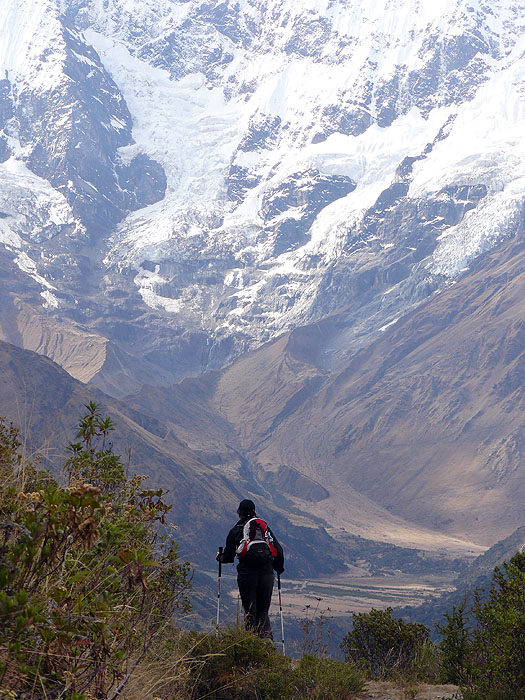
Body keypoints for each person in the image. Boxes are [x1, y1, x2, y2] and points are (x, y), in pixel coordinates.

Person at [218, 499, 284, 639]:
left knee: (250, 612)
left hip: (247, 575)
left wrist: (220, 557)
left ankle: (251, 643)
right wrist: (278, 568)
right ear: (255, 511)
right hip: (267, 574)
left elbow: (229, 557)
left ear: (239, 513)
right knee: (263, 612)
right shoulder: (264, 529)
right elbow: (278, 550)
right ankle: (267, 645)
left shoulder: (235, 531)